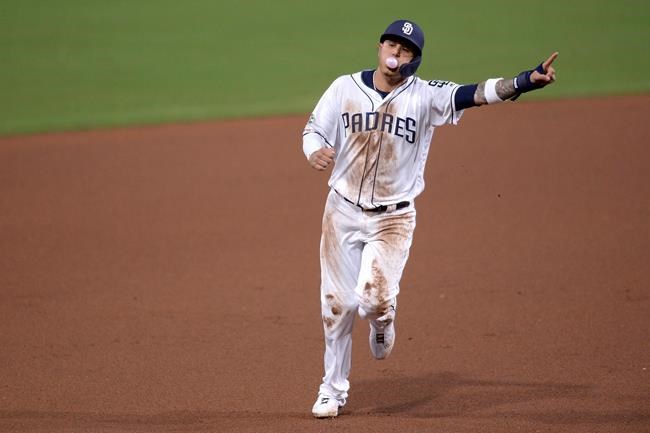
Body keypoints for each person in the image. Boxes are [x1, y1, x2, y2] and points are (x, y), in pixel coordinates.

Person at [302, 19, 557, 418]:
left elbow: (476, 93)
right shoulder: (343, 88)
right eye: (391, 44)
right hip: (342, 211)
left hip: (393, 219)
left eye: (405, 49)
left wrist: (524, 81)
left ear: (415, 59)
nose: (396, 53)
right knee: (336, 305)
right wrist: (314, 150)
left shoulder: (425, 96)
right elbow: (314, 130)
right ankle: (331, 390)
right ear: (379, 46)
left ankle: (383, 319)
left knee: (372, 302)